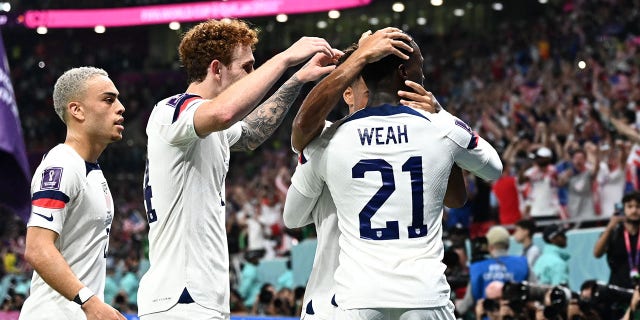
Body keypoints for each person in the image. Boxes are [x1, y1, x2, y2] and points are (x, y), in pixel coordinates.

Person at [287, 29, 502, 319]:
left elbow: (292, 214)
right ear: (403, 71)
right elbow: (493, 169)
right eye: (420, 65)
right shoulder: (438, 129)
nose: (423, 75)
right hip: (423, 292)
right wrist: (442, 115)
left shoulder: (328, 141)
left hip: (356, 295)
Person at [138, 19, 338, 319]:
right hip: (180, 299)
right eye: (247, 67)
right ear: (216, 69)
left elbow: (251, 134)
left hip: (198, 298)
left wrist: (297, 80)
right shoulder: (172, 110)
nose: (254, 75)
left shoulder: (204, 127)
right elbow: (224, 111)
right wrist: (284, 59)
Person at [20, 67, 126, 320]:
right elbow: (36, 248)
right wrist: (90, 302)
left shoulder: (91, 169)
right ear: (77, 110)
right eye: (108, 100)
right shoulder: (62, 164)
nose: (120, 107)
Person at [456, 226, 529, 315]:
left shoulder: (477, 267)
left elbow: (469, 301)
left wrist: (455, 312)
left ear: (489, 246)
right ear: (508, 245)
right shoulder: (523, 263)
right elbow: (533, 291)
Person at [594, 191, 640, 289]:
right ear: (624, 209)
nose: (634, 210)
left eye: (638, 207)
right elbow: (597, 253)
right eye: (630, 206)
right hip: (617, 289)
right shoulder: (614, 233)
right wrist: (610, 227)